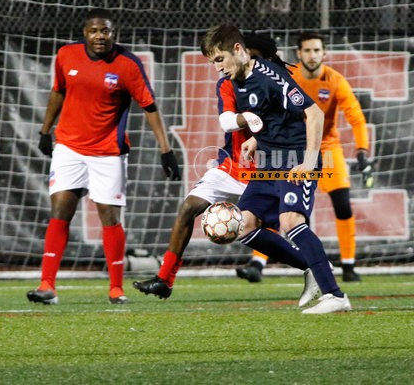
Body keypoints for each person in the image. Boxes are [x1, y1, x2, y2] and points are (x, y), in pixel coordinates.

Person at [132, 33, 320, 307]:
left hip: (267, 169)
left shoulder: (278, 83)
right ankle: (165, 278)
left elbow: (303, 121)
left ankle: (311, 268)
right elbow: (228, 120)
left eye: (254, 57)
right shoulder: (229, 83)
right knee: (189, 207)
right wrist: (248, 119)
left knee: (284, 224)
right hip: (231, 165)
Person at [26, 8, 181, 305]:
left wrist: (166, 150)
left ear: (114, 34)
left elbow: (149, 106)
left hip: (108, 151)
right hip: (69, 147)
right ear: (85, 33)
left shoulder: (128, 64)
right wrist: (45, 130)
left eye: (106, 31)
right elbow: (58, 91)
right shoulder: (66, 55)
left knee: (109, 217)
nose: (100, 36)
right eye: (94, 31)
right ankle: (47, 285)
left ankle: (116, 288)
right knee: (60, 209)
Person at [201, 23, 351, 314]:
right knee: (243, 225)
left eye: (220, 59)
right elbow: (274, 117)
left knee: (291, 221)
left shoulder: (270, 76)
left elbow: (314, 114)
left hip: (295, 158)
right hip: (268, 161)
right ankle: (313, 267)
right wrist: (257, 139)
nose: (218, 67)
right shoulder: (237, 80)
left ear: (237, 49)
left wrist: (309, 163)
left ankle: (335, 295)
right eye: (213, 62)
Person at [237, 31, 372, 283]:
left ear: (324, 53)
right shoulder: (288, 76)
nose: (312, 55)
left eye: (316, 50)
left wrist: (362, 149)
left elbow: (355, 117)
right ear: (299, 53)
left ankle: (348, 264)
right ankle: (257, 262)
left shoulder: (335, 81)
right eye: (307, 50)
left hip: (327, 147)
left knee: (342, 203)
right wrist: (258, 138)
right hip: (290, 146)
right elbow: (269, 112)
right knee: (275, 205)